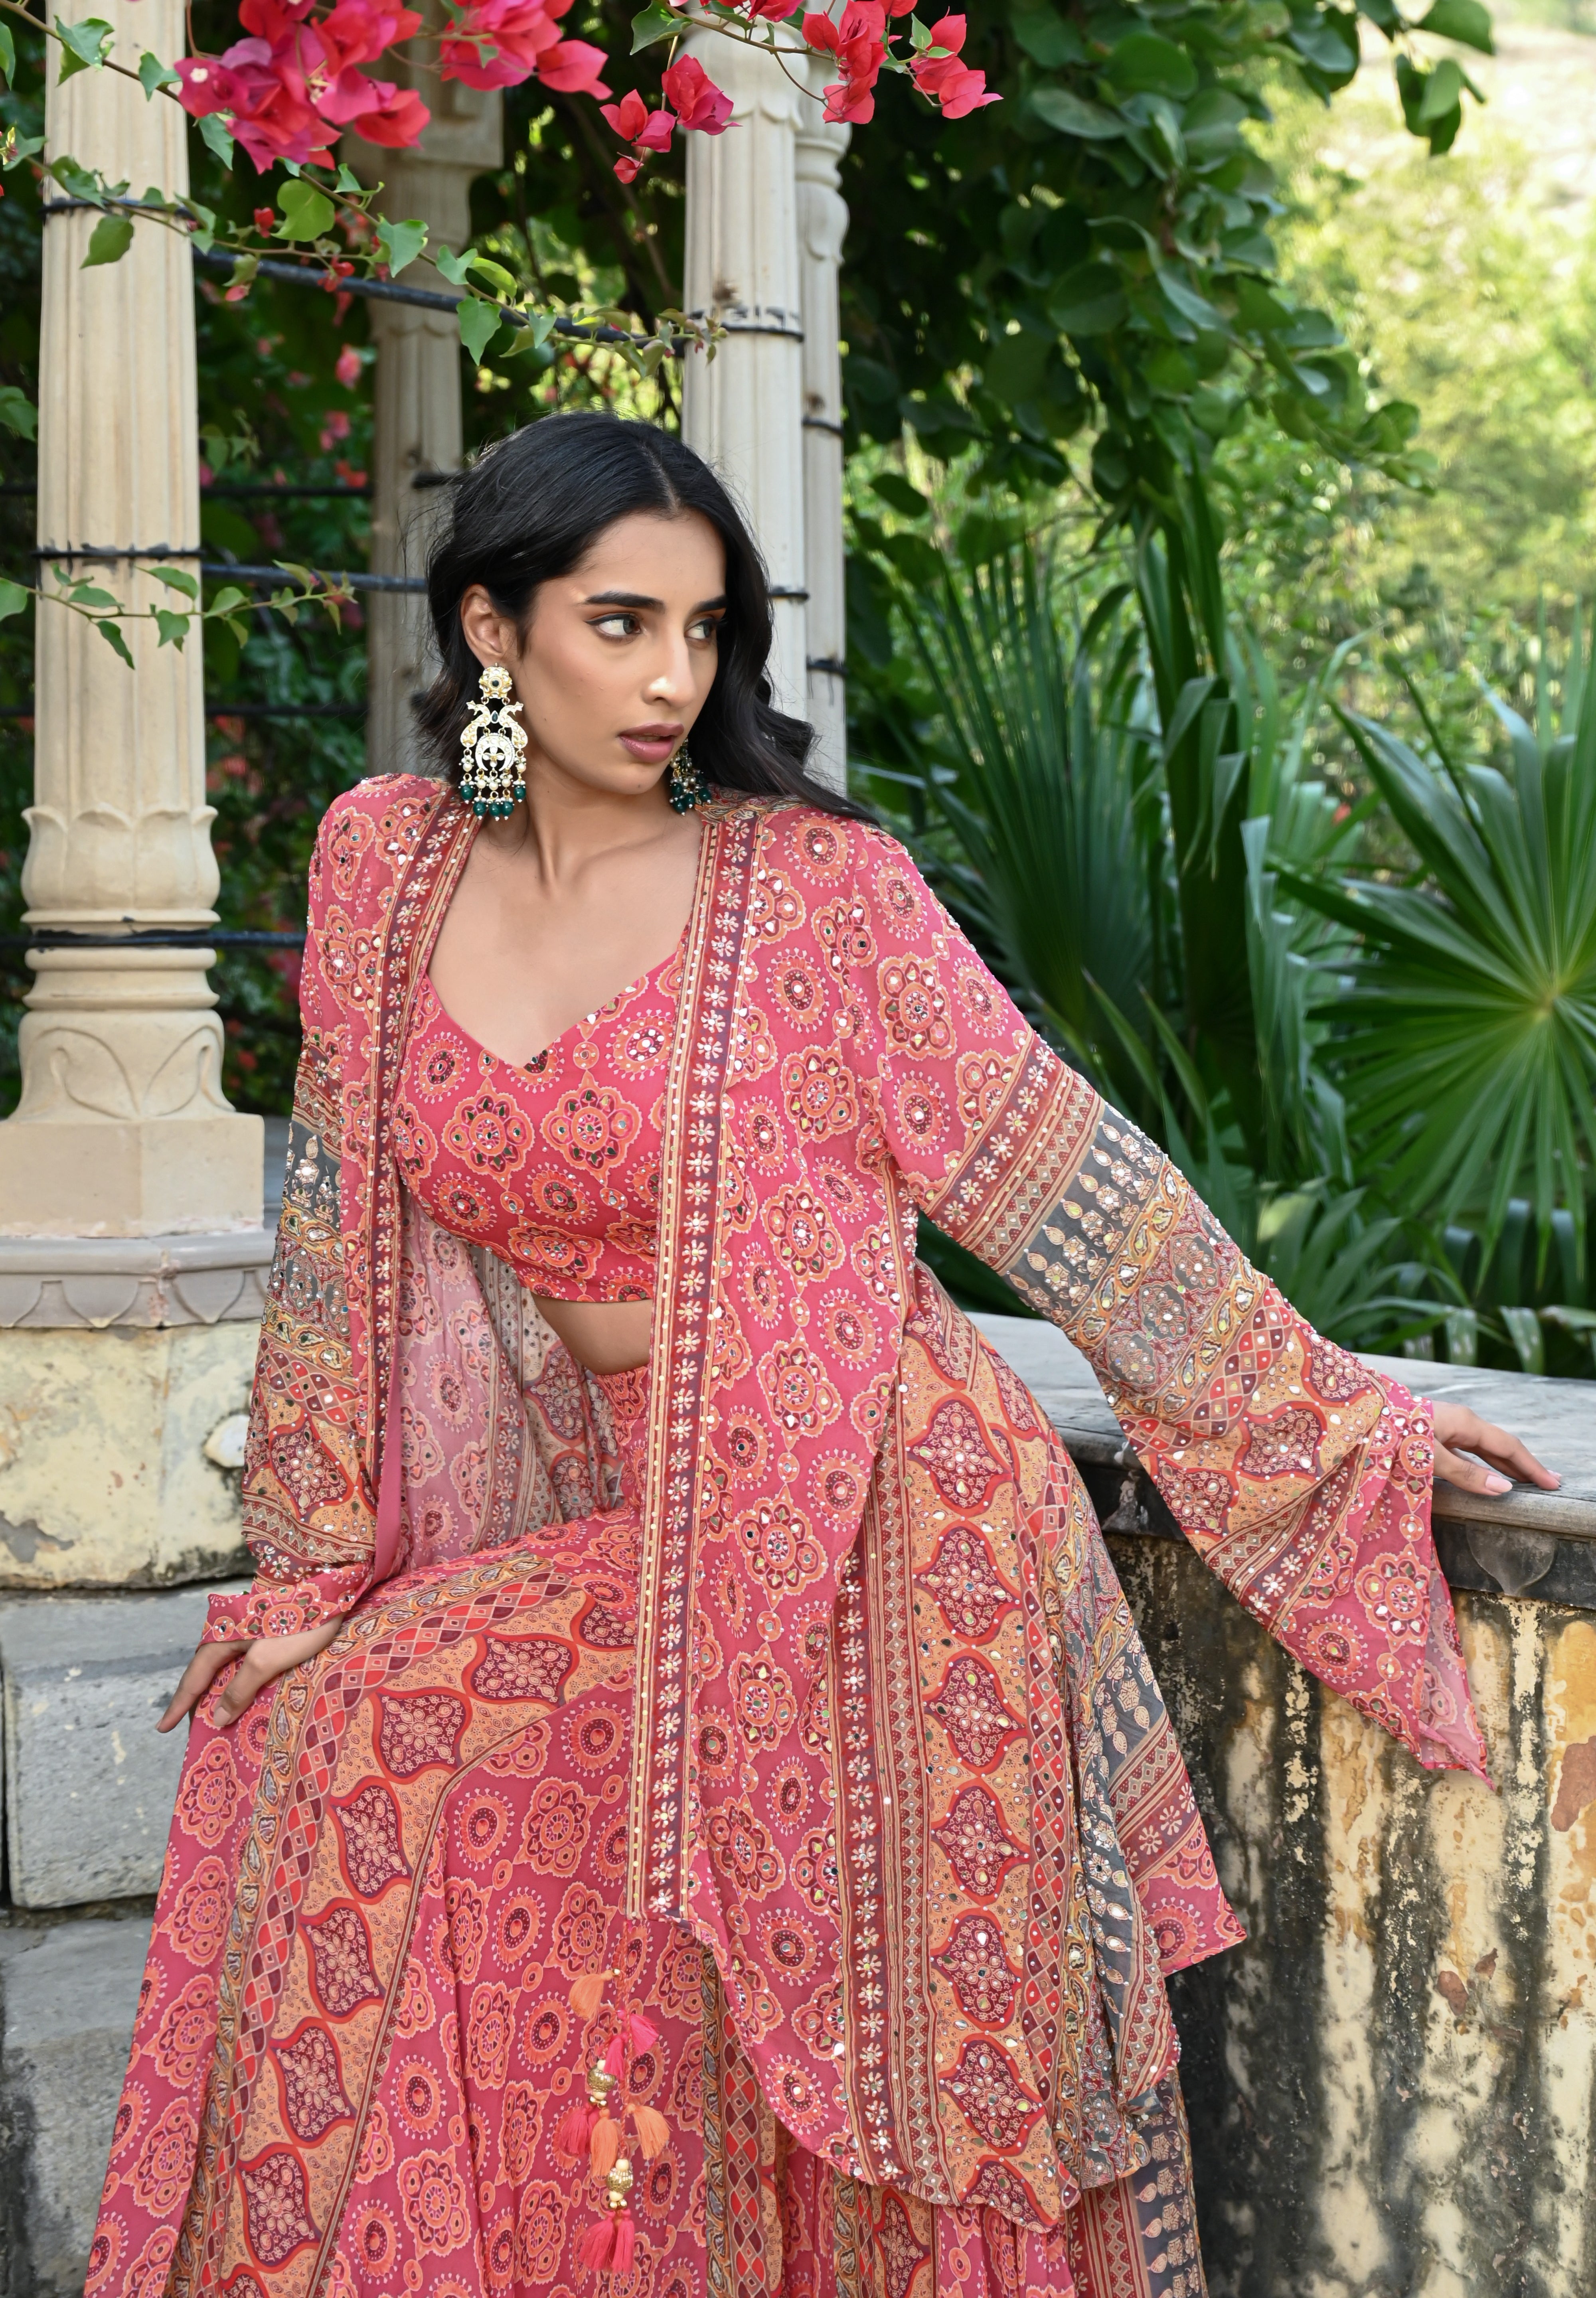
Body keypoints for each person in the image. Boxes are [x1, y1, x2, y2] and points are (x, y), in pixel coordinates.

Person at [89, 413, 1555, 2298]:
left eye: (705, 633)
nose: (670, 678)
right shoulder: (385, 873)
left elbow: (1069, 1184)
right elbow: (338, 1234)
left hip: (869, 1502)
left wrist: (1331, 1412)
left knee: (418, 1743)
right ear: (488, 628)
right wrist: (308, 1558)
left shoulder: (811, 896)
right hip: (636, 1512)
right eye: (618, 624)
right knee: (312, 1717)